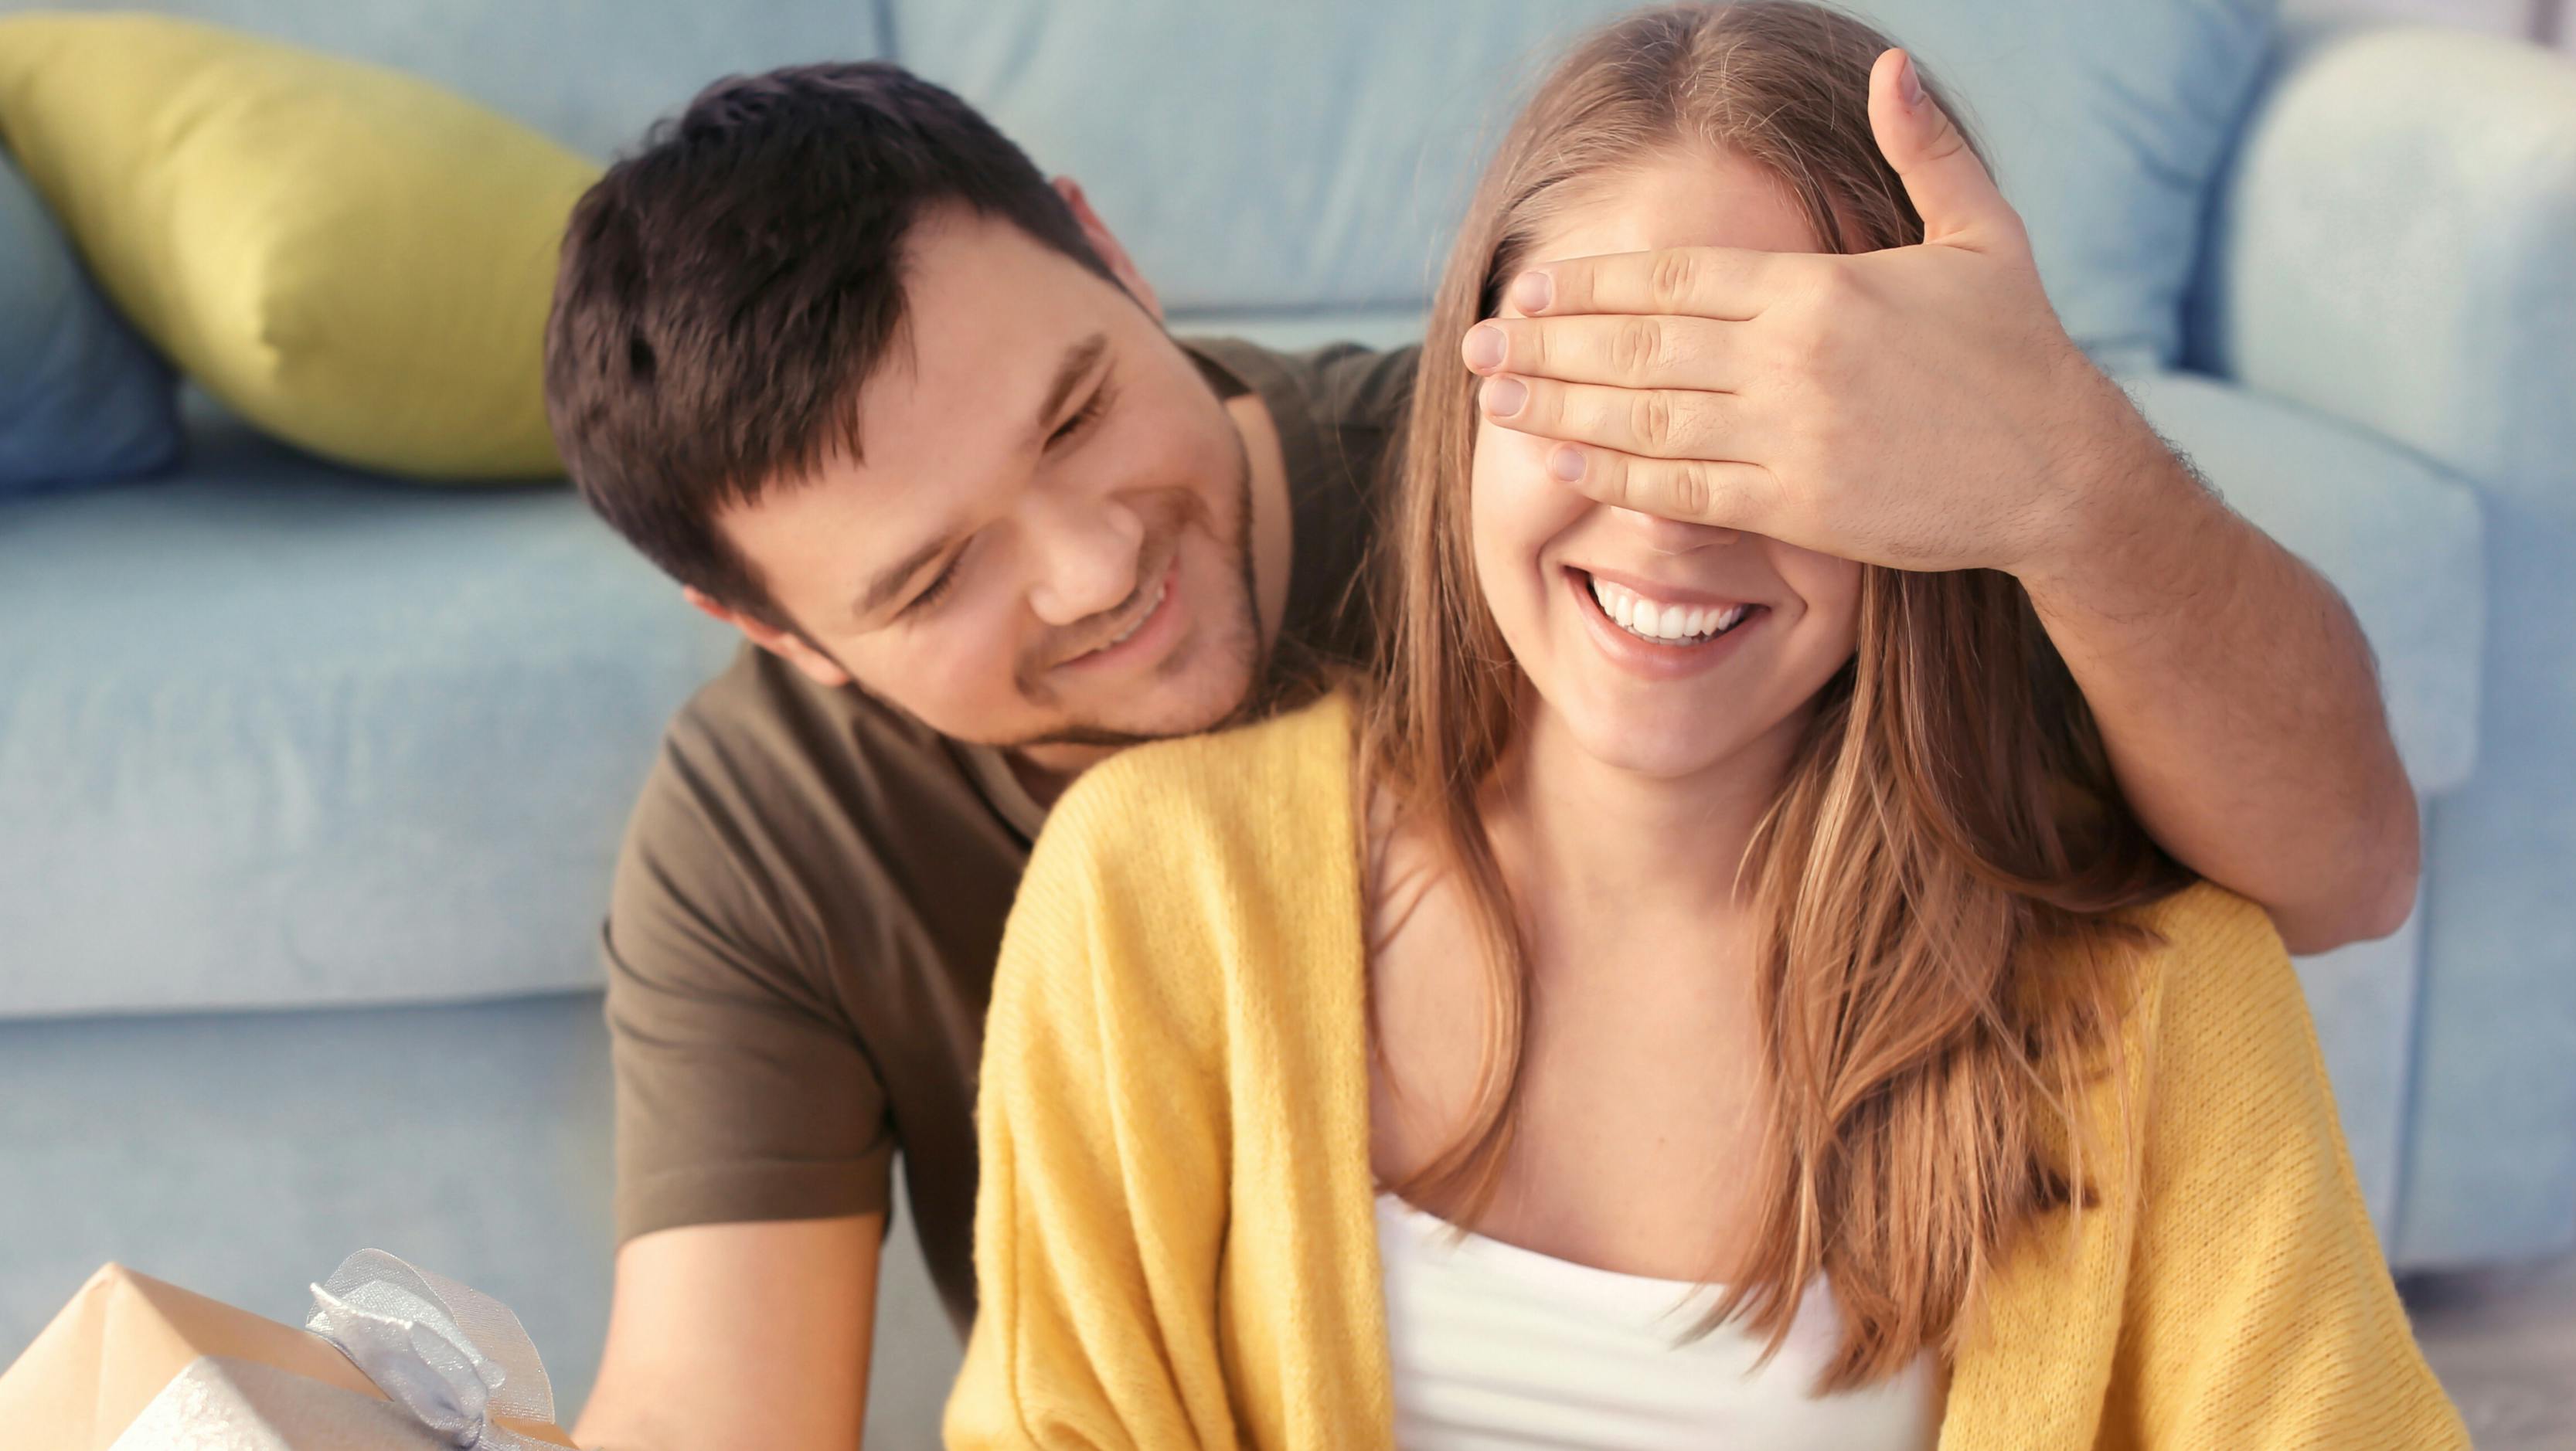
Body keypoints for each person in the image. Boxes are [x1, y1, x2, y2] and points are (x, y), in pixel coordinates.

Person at [539, 22, 2425, 1451]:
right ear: (777, 635)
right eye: (936, 575)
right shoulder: (845, 849)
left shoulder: (1758, 559)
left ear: (1116, 260)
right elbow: (719, 1408)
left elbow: (2315, 874)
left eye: (1073, 418)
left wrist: (2061, 473)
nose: (1095, 565)